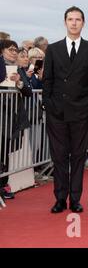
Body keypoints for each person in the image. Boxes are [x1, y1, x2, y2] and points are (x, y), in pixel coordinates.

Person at [42, 6, 88, 213]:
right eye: (70, 19)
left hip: (81, 112)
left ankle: (75, 198)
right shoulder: (53, 49)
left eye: (78, 19)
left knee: (77, 156)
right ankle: (59, 198)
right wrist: (49, 105)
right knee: (59, 156)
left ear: (83, 23)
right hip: (57, 112)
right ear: (65, 22)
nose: (74, 23)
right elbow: (47, 80)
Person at [0, 40, 32, 201]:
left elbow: (28, 91)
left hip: (12, 117)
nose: (14, 52)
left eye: (15, 50)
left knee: (5, 151)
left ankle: (3, 184)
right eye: (10, 49)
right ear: (2, 51)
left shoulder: (18, 69)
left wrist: (19, 81)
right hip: (1, 115)